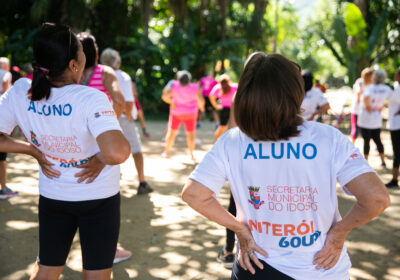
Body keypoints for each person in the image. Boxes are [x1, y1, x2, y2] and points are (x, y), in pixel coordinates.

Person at [182, 52, 390, 280]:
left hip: (255, 267)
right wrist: (339, 232)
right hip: (321, 269)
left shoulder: (233, 141)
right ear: (295, 93)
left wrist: (239, 229)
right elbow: (377, 199)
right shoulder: (328, 139)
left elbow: (194, 194)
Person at [0, 23, 131, 279]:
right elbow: (117, 152)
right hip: (98, 196)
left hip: (53, 194)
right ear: (73, 64)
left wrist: (31, 150)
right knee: (97, 274)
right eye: (82, 52)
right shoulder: (89, 98)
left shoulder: (19, 92)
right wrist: (101, 158)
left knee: (47, 270)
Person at [100, 48, 153, 195]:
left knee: (106, 150)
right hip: (123, 118)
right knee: (136, 150)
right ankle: (142, 182)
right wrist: (129, 114)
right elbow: (128, 101)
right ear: (117, 61)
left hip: (103, 118)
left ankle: (105, 184)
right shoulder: (122, 76)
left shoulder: (98, 75)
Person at [77, 32, 124, 119]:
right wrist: (110, 124)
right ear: (96, 53)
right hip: (99, 127)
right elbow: (119, 102)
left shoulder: (70, 72)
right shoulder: (105, 73)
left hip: (75, 128)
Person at [162, 70, 204, 161]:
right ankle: (192, 154)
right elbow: (201, 101)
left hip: (176, 113)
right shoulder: (195, 87)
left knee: (172, 133)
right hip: (191, 114)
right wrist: (202, 108)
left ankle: (166, 152)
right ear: (189, 80)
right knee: (191, 135)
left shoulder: (174, 86)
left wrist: (172, 102)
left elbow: (165, 97)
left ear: (178, 80)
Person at [357, 69, 392, 167]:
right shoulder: (387, 89)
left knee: (366, 141)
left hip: (365, 119)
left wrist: (372, 107)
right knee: (378, 140)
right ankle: (383, 161)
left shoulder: (369, 88)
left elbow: (367, 105)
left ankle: (366, 161)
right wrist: (381, 106)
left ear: (375, 77)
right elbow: (393, 101)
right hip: (376, 119)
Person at [0, 57, 17, 199]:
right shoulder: (6, 74)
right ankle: (4, 188)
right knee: (2, 156)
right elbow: (6, 82)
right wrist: (5, 96)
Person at [209, 74, 238, 142]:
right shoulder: (235, 86)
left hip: (224, 109)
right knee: (234, 127)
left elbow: (211, 96)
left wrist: (216, 105)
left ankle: (215, 143)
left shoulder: (218, 87)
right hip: (233, 109)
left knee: (221, 127)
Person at [350, 68, 374, 144]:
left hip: (365, 110)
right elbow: (358, 93)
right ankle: (352, 144)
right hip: (357, 109)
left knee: (369, 129)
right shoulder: (360, 82)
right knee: (355, 130)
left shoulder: (372, 84)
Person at [385, 68, 400, 188]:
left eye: (395, 74)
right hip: (395, 124)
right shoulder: (396, 88)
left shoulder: (398, 89)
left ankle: (395, 179)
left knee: (397, 152)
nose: (394, 76)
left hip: (396, 125)